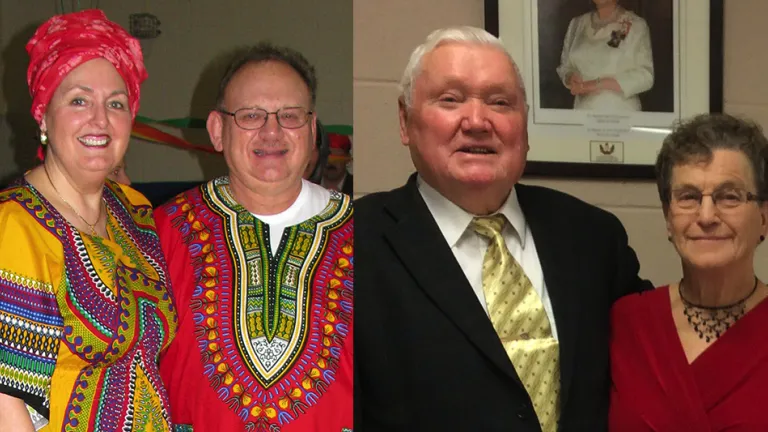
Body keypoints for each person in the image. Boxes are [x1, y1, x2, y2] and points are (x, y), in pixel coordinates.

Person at [354, 26, 652, 432]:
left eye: (500, 102)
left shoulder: (593, 237)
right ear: (405, 121)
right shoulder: (349, 247)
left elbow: (660, 355)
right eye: (451, 99)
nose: (477, 121)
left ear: (525, 127)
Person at [156, 43, 353, 432]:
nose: (272, 131)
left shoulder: (368, 233)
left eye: (290, 116)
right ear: (217, 130)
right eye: (250, 115)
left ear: (312, 131)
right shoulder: (163, 231)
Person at [0, 10, 177, 431]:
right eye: (79, 100)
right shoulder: (16, 227)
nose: (100, 120)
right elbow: (8, 406)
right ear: (43, 115)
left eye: (115, 103)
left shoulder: (133, 212)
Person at [609, 113, 768, 430]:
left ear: (763, 217)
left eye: (730, 196)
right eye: (688, 197)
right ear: (669, 218)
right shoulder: (628, 322)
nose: (706, 215)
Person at [556, 0, 653, 111]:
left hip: (620, 114)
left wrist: (596, 84)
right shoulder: (576, 24)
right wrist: (570, 77)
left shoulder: (636, 25)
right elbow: (565, 66)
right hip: (583, 113)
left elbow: (646, 76)